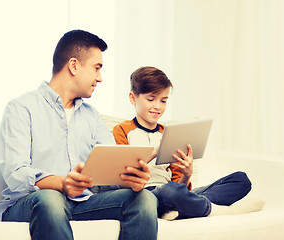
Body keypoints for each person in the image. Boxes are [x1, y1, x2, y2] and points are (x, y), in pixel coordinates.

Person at [0, 30, 158, 240]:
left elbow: (110, 173)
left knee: (144, 199)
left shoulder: (92, 116)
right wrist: (63, 184)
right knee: (52, 199)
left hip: (82, 203)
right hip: (31, 203)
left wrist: (129, 179)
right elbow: (15, 172)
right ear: (74, 66)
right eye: (96, 68)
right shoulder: (21, 108)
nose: (100, 78)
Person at [113, 66, 263, 220]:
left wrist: (187, 173)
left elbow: (180, 187)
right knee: (169, 191)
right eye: (151, 99)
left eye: (163, 100)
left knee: (241, 180)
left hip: (176, 194)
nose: (157, 106)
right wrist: (155, 152)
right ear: (133, 98)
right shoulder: (121, 130)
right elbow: (121, 176)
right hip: (147, 195)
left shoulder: (169, 134)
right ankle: (211, 209)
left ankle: (183, 210)